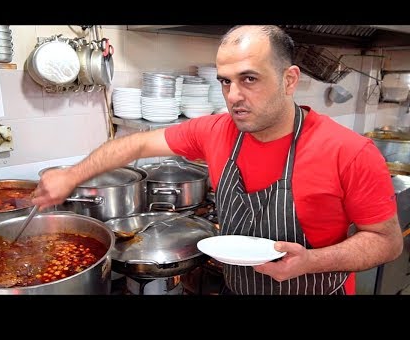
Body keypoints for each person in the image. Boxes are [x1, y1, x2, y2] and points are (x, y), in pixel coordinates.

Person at [32, 25, 403, 295]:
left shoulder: (349, 152)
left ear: (290, 80)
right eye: (226, 81)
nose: (234, 96)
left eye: (249, 79)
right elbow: (137, 145)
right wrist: (71, 175)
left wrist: (310, 262)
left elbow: (386, 243)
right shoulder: (215, 131)